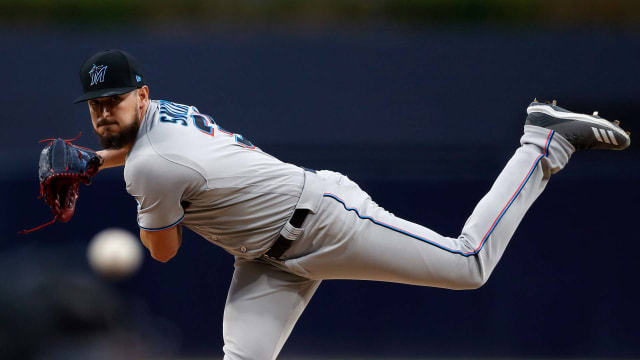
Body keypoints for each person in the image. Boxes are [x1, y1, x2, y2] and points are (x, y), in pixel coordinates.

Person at [75, 49, 630, 360]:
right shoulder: (165, 113)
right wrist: (93, 161)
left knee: (469, 264)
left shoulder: (150, 166)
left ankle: (543, 141)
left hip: (323, 220)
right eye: (95, 105)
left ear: (140, 96)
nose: (104, 114)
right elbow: (146, 152)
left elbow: (163, 250)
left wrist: (117, 180)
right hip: (265, 258)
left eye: (114, 100)